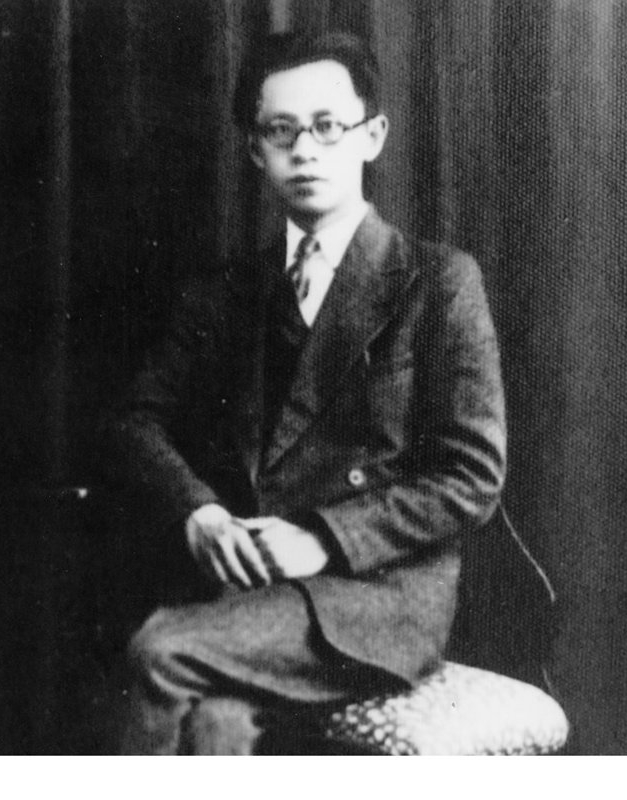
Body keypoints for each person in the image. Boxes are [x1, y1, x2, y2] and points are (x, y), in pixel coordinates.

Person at [101, 31, 508, 755]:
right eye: (281, 131)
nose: (305, 151)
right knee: (217, 722)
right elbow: (136, 422)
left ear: (372, 136)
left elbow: (471, 476)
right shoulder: (226, 292)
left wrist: (321, 538)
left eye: (327, 127)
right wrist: (199, 512)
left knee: (160, 650)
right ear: (255, 150)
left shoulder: (439, 282)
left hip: (375, 596)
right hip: (255, 587)